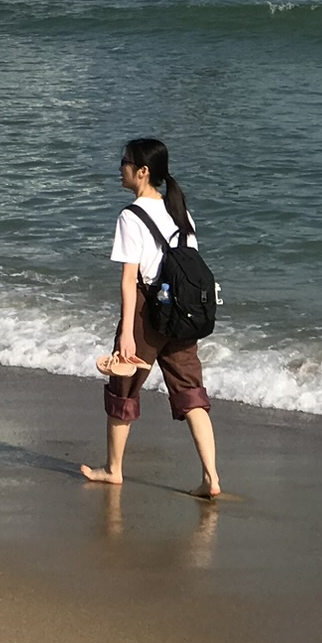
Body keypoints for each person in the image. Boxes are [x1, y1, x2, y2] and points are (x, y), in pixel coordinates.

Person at [80, 137, 222, 498]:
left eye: (125, 162)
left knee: (122, 389)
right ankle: (211, 477)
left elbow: (130, 280)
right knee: (190, 391)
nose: (120, 167)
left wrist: (127, 333)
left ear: (142, 172)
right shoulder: (181, 211)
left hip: (148, 309)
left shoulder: (131, 216)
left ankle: (114, 471)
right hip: (182, 311)